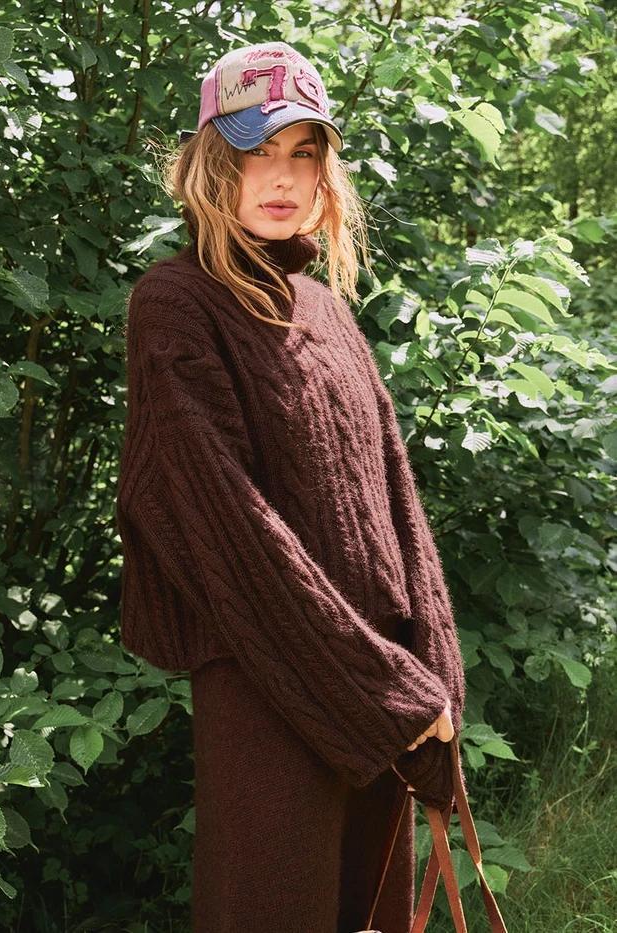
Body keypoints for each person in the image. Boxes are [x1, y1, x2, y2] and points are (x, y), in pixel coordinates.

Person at [116, 40, 466, 933]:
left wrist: (435, 674)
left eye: (303, 153)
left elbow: (394, 496)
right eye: (255, 152)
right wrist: (389, 690)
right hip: (271, 686)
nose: (282, 176)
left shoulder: (326, 308)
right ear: (210, 165)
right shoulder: (176, 303)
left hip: (377, 681)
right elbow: (226, 529)